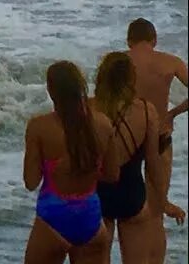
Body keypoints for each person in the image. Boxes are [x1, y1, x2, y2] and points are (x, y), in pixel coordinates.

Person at [23, 60, 122, 264]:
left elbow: (31, 182)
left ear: (51, 91)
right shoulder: (103, 123)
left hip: (53, 216)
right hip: (90, 217)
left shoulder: (39, 127)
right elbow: (113, 175)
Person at [92, 51, 167, 263]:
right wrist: (162, 201)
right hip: (132, 194)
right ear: (131, 78)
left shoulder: (88, 108)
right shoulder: (146, 110)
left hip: (96, 195)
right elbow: (153, 163)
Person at [126, 17, 189, 250]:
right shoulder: (171, 62)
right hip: (160, 135)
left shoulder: (118, 62)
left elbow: (105, 100)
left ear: (129, 40)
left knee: (125, 210)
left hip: (126, 138)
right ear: (154, 39)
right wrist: (172, 113)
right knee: (157, 210)